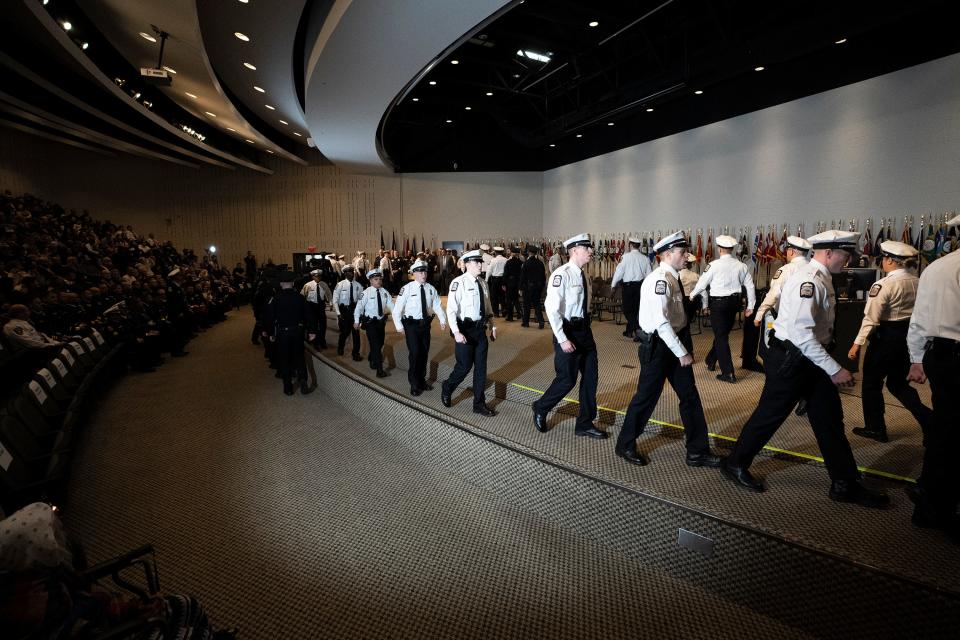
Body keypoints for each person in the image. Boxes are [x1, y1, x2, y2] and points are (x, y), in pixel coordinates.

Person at [720, 230, 889, 508]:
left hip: (811, 359)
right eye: (845, 255)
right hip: (793, 359)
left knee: (829, 420)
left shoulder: (822, 276)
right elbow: (801, 334)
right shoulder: (808, 280)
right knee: (770, 415)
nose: (847, 261)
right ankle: (735, 463)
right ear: (828, 253)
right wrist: (835, 369)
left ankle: (844, 483)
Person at [614, 231, 722, 467]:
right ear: (666, 254)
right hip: (661, 347)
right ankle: (625, 444)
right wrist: (681, 352)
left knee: (690, 397)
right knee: (646, 399)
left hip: (675, 341)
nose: (687, 256)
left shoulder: (673, 278)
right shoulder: (659, 281)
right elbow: (662, 323)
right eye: (682, 252)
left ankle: (697, 451)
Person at [906, 213, 960, 541]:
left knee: (945, 429)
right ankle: (936, 507)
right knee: (952, 436)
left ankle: (929, 497)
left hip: (940, 356)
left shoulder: (937, 267)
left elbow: (919, 319)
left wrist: (916, 359)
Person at [847, 240, 932, 443]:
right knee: (898, 384)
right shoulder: (917, 281)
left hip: (885, 338)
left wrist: (856, 344)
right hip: (908, 338)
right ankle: (929, 420)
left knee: (871, 384)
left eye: (884, 258)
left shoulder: (883, 284)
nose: (882, 262)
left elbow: (871, 318)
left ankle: (876, 428)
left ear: (891, 261)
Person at [532, 233, 608, 439]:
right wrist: (563, 338)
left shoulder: (584, 275)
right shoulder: (561, 274)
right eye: (587, 248)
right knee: (567, 379)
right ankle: (541, 407)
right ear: (575, 250)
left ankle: (584, 423)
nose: (591, 251)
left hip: (585, 331)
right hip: (567, 331)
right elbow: (551, 308)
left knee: (591, 378)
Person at [688, 235, 756, 383]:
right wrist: (750, 306)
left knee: (721, 336)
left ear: (719, 249)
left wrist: (692, 295)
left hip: (718, 305)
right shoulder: (741, 266)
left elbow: (702, 282)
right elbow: (750, 286)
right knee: (722, 334)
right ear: (731, 250)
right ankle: (710, 359)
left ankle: (728, 373)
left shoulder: (713, 265)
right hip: (734, 304)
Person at [441, 249, 497, 416]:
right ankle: (448, 386)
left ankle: (479, 404)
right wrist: (456, 332)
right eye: (476, 262)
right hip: (464, 331)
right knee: (464, 367)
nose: (480, 264)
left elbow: (488, 308)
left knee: (481, 369)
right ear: (466, 264)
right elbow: (450, 310)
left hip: (480, 330)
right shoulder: (458, 283)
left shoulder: (483, 283)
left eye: (480, 262)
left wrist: (492, 327)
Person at [393, 259, 446, 395]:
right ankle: (414, 384)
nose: (424, 274)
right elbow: (397, 308)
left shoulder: (430, 288)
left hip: (425, 326)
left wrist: (442, 319)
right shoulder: (407, 288)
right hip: (411, 326)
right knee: (415, 354)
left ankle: (421, 381)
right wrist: (399, 325)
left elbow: (437, 305)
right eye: (420, 272)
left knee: (424, 353)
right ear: (414, 274)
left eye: (425, 271)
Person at [261, 272, 316, 396]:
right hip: (298, 331)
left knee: (284, 359)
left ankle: (288, 387)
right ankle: (303, 381)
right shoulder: (300, 297)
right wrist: (312, 331)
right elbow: (309, 315)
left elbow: (270, 317)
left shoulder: (275, 299)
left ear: (281, 284)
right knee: (299, 357)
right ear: (292, 283)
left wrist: (269, 332)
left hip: (282, 333)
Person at [353, 269, 393, 377]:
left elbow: (392, 306)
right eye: (376, 279)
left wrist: (398, 317)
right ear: (370, 281)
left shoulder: (384, 292)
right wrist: (356, 321)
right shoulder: (365, 293)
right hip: (370, 323)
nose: (379, 281)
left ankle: (371, 357)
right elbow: (358, 308)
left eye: (380, 279)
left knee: (380, 344)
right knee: (376, 346)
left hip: (381, 323)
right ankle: (379, 370)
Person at [611, 237, 652, 340]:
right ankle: (629, 331)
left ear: (630, 245)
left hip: (628, 287)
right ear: (639, 246)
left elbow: (619, 272)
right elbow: (649, 275)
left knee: (627, 310)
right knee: (636, 310)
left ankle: (638, 331)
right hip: (640, 287)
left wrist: (613, 285)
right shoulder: (645, 258)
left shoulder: (625, 257)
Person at [333, 265, 363, 361]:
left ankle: (356, 354)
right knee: (345, 332)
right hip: (344, 311)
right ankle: (340, 347)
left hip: (354, 310)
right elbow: (335, 300)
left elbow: (361, 301)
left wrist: (360, 313)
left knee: (356, 333)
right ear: (345, 274)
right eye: (349, 272)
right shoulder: (340, 285)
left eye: (353, 271)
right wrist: (338, 313)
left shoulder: (358, 285)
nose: (352, 273)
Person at [520, 245, 546, 329]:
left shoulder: (526, 263)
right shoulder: (540, 263)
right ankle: (541, 321)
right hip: (538, 287)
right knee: (537, 304)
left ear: (529, 252)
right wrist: (542, 286)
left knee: (527, 305)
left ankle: (526, 322)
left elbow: (523, 277)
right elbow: (543, 276)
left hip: (528, 287)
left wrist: (520, 287)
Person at [502, 247, 523, 321]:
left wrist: (504, 284)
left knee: (509, 300)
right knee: (516, 299)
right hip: (517, 282)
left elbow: (505, 273)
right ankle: (519, 314)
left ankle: (510, 316)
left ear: (512, 253)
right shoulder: (521, 263)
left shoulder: (508, 262)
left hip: (510, 282)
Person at [486, 247, 507, 316]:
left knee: (494, 296)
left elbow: (489, 271)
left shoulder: (493, 260)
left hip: (495, 280)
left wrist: (486, 280)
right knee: (503, 296)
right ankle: (504, 312)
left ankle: (496, 312)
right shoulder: (506, 260)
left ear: (495, 252)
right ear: (502, 252)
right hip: (503, 280)